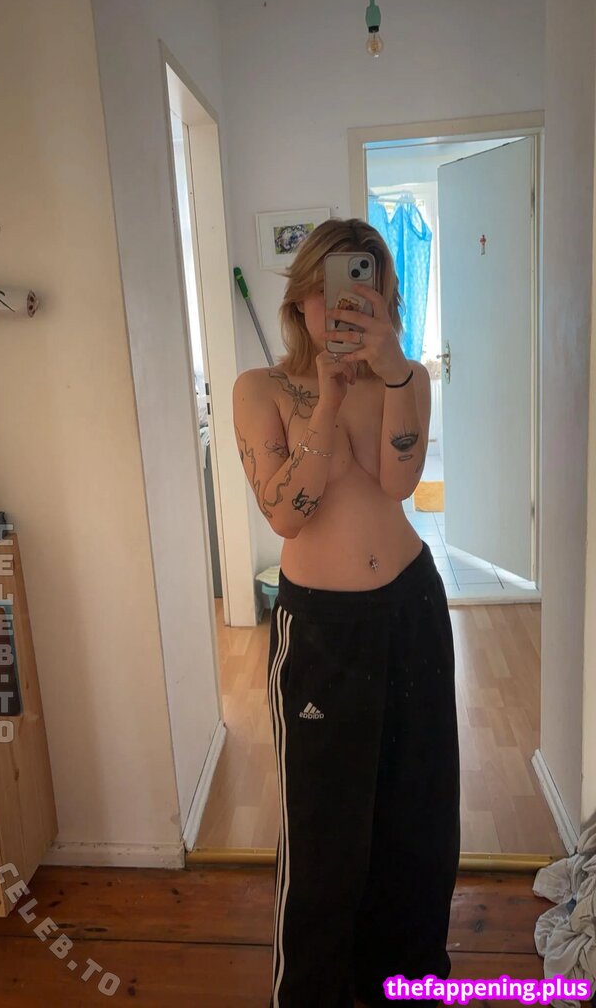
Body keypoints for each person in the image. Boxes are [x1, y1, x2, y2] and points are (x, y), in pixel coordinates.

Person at [232, 217, 460, 1008]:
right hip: (321, 633)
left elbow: (398, 484)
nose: (342, 306)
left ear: (387, 296)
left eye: (363, 285)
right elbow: (286, 515)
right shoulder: (261, 390)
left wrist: (391, 372)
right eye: (329, 288)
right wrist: (326, 402)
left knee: (419, 817)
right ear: (301, 300)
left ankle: (408, 985)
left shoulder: (407, 377)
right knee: (325, 833)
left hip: (411, 610)